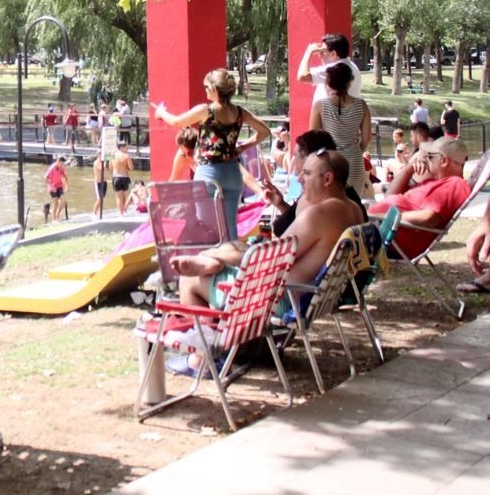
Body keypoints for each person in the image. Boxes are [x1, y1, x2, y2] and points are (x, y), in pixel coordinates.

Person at [169, 150, 364, 374]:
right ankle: (211, 261)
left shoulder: (319, 214)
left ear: (328, 179)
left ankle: (203, 357)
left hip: (282, 297)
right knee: (235, 248)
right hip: (313, 295)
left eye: (307, 173)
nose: (300, 178)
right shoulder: (353, 209)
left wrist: (226, 255)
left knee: (190, 280)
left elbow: (271, 257)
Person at [153, 68, 271, 238]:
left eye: (207, 87)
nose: (205, 90)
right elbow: (265, 131)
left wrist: (161, 113)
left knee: (208, 229)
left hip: (209, 172)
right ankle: (232, 262)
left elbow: (177, 121)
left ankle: (215, 263)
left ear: (215, 89)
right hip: (232, 172)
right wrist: (243, 147)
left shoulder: (206, 110)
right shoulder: (239, 112)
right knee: (230, 227)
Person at [367, 137, 471, 259]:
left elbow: (429, 218)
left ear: (443, 160)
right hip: (380, 230)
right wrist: (408, 169)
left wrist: (384, 218)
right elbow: (390, 196)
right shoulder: (434, 182)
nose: (426, 160)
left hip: (390, 239)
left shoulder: (455, 184)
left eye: (430, 157)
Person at [261, 129, 367, 236]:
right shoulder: (350, 202)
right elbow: (296, 223)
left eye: (295, 155)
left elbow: (289, 242)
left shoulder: (320, 209)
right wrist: (280, 204)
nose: (299, 178)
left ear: (310, 159)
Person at [309, 62, 371, 195]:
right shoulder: (362, 105)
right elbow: (367, 138)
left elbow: (314, 139)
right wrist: (357, 151)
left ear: (328, 83)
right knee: (353, 207)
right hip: (355, 163)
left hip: (331, 164)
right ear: (349, 82)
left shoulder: (320, 105)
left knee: (331, 209)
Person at [297, 32, 363, 103]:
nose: (319, 55)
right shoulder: (352, 65)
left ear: (333, 54)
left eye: (322, 51)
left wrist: (308, 51)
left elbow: (302, 76)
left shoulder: (336, 69)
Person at [111, 141, 134, 215]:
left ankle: (120, 213)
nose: (127, 148)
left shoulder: (113, 155)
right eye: (126, 147)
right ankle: (124, 211)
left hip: (116, 177)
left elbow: (110, 167)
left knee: (118, 197)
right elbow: (131, 168)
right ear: (121, 148)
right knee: (124, 196)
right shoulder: (127, 156)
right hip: (125, 177)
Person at [45, 156, 69, 222]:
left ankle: (57, 216)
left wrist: (66, 185)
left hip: (59, 186)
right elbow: (46, 178)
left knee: (63, 201)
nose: (62, 165)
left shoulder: (61, 167)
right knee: (55, 203)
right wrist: (52, 186)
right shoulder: (52, 168)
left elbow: (65, 175)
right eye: (61, 164)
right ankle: (53, 219)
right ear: (57, 161)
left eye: (63, 164)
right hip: (52, 187)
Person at [92, 154, 108, 219]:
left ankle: (99, 212)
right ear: (98, 155)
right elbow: (102, 169)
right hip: (98, 182)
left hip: (104, 181)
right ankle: (94, 212)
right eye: (101, 154)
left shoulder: (102, 162)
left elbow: (108, 168)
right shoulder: (96, 162)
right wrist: (106, 161)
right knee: (99, 198)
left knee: (102, 198)